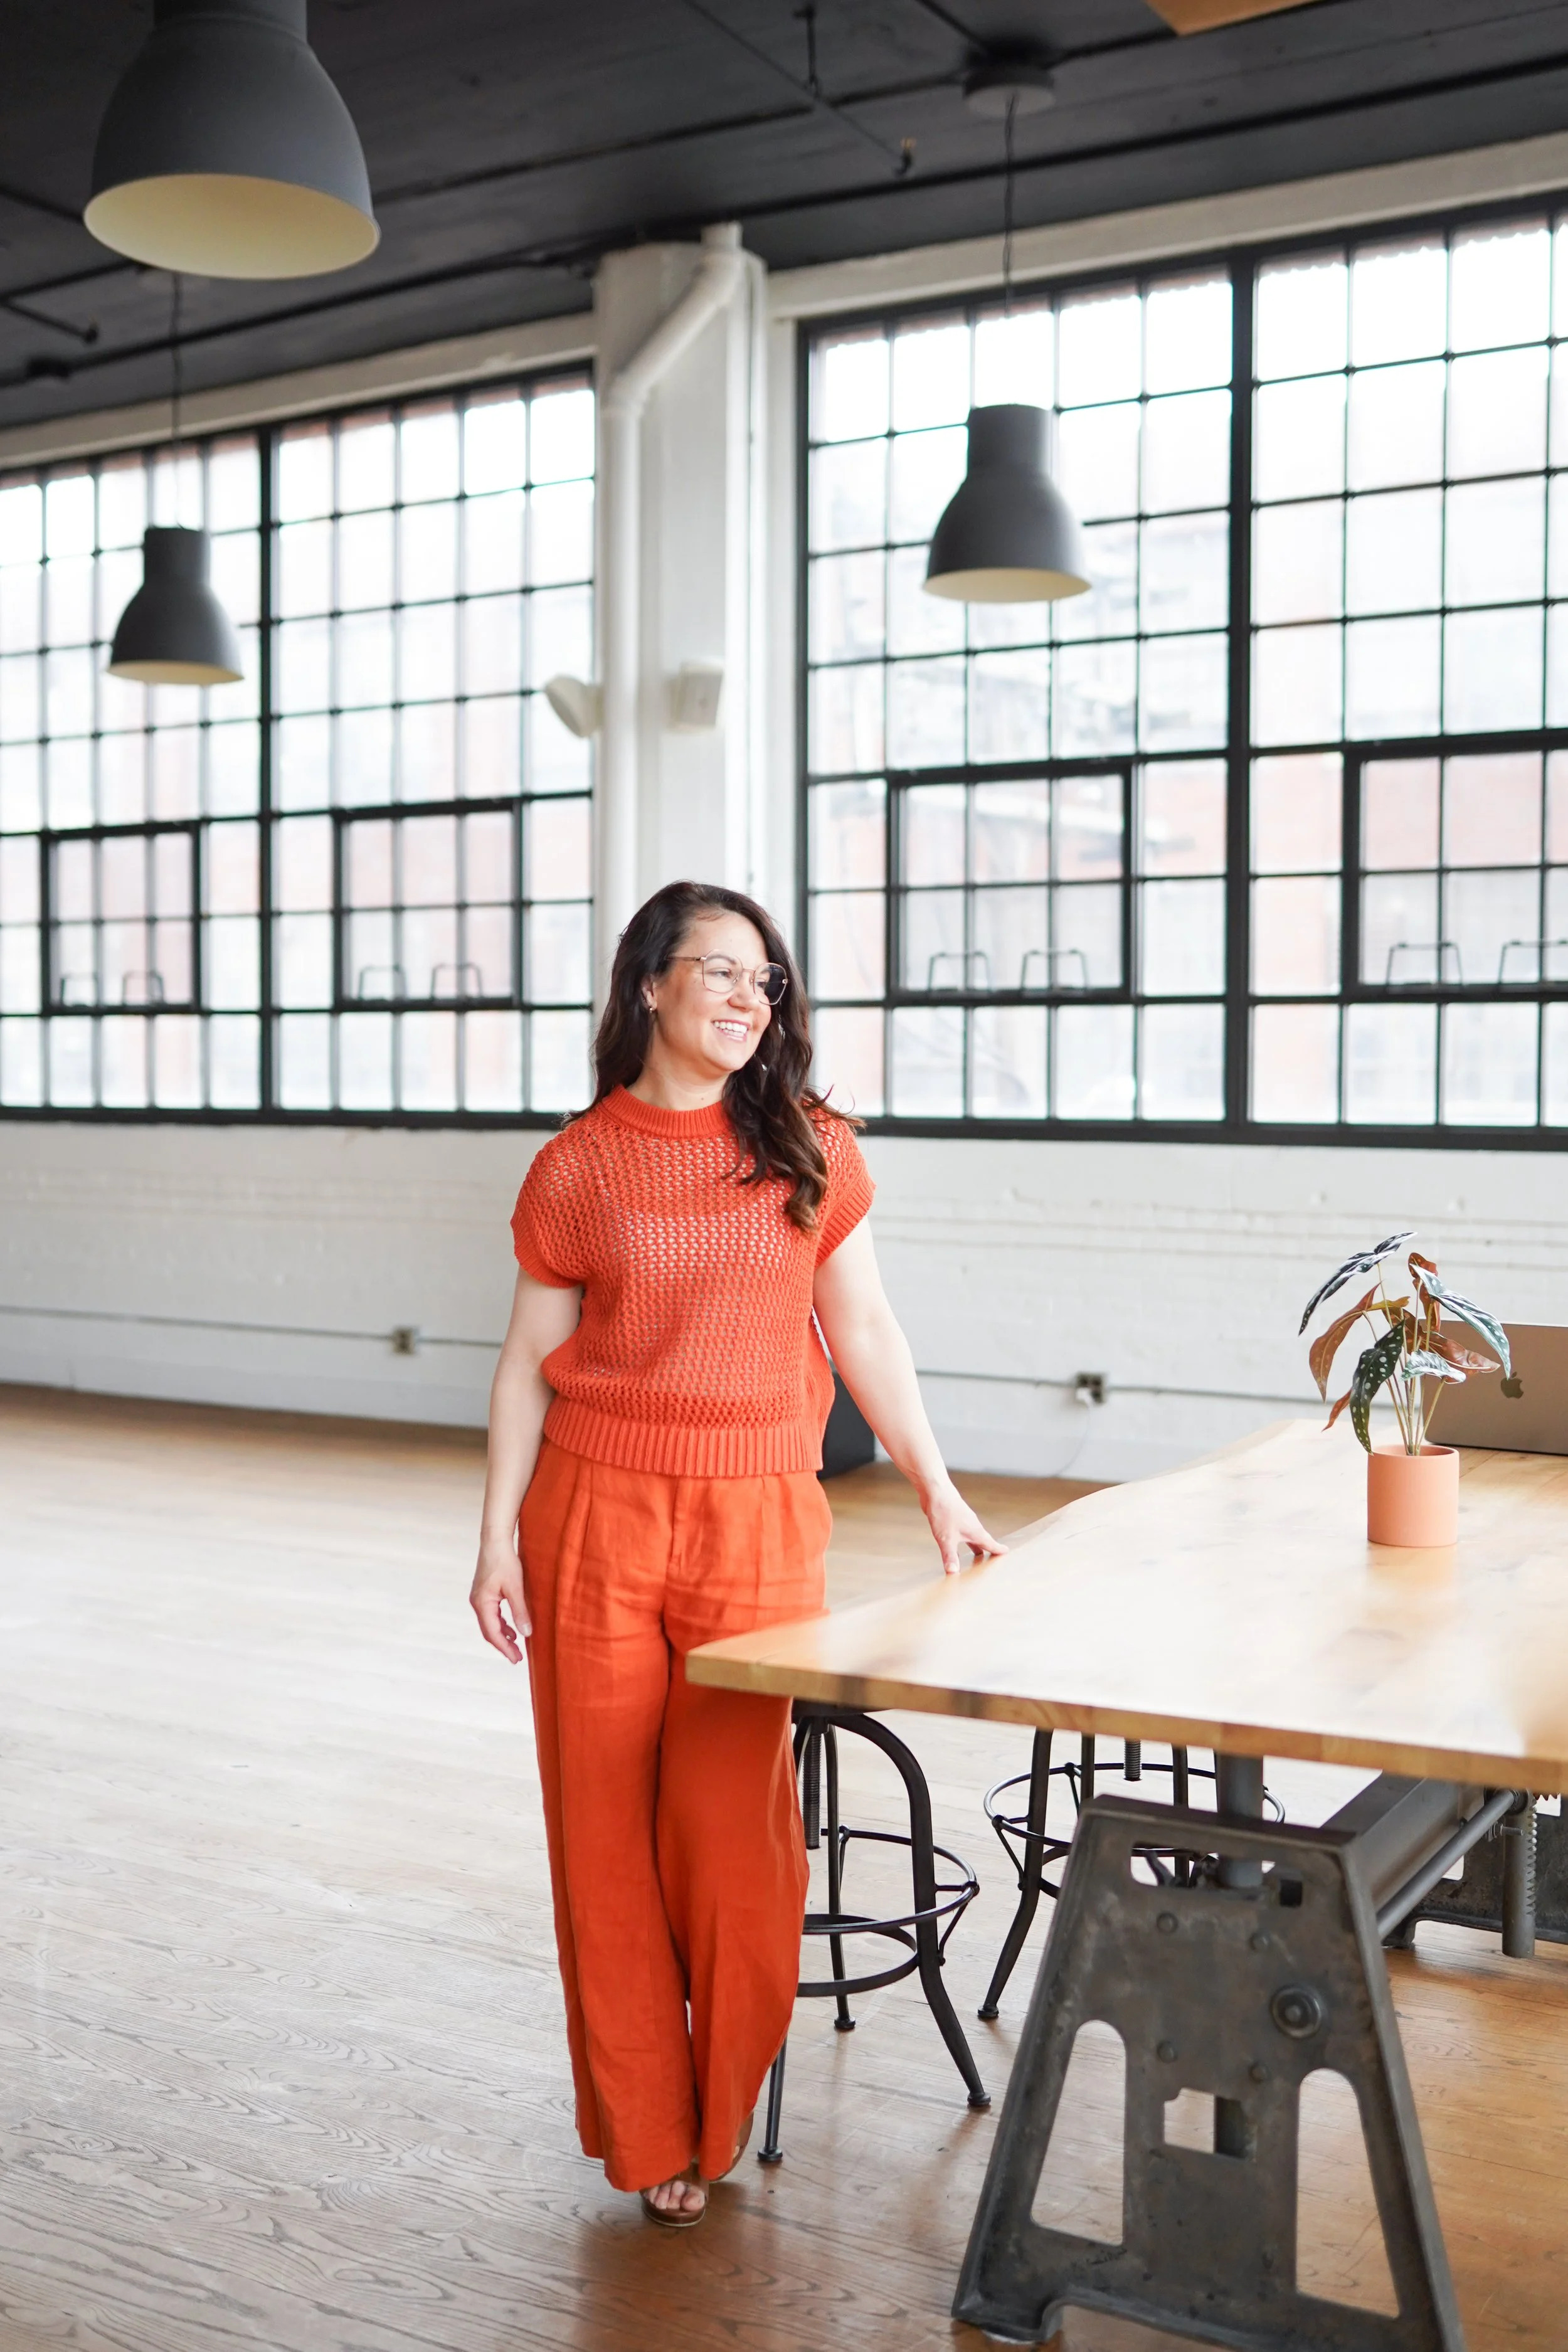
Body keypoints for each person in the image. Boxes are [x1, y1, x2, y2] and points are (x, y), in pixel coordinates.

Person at [469, 879, 1004, 2228]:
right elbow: (531, 1364)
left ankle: (716, 2108)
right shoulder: (578, 1163)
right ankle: (648, 2135)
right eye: (716, 971)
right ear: (647, 982)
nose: (745, 998)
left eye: (764, 981)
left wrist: (937, 1488)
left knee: (735, 1841)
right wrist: (493, 1543)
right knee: (600, 1836)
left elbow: (865, 1330)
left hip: (758, 1515)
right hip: (589, 1514)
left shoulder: (809, 1146)